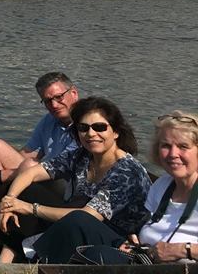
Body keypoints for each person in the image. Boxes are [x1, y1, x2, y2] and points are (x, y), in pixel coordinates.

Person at [0, 96, 151, 263]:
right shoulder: (82, 156)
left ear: (115, 132)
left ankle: (36, 263)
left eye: (99, 127)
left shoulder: (126, 172)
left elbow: (88, 216)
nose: (91, 134)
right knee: (30, 190)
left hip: (120, 239)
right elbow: (32, 173)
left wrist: (29, 208)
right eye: (83, 128)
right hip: (84, 221)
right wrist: (10, 200)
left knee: (71, 218)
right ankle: (3, 263)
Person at [40, 110, 198, 264]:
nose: (173, 154)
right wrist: (136, 238)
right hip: (144, 256)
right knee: (78, 220)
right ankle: (34, 262)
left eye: (183, 146)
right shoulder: (163, 185)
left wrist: (183, 250)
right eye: (166, 146)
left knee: (98, 254)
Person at [0, 72, 80, 235]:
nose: (54, 105)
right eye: (47, 101)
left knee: (29, 167)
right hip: (44, 177)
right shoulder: (49, 120)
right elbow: (26, 155)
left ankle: (1, 231)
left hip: (70, 188)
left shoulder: (88, 125)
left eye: (58, 97)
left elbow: (54, 169)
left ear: (73, 93)